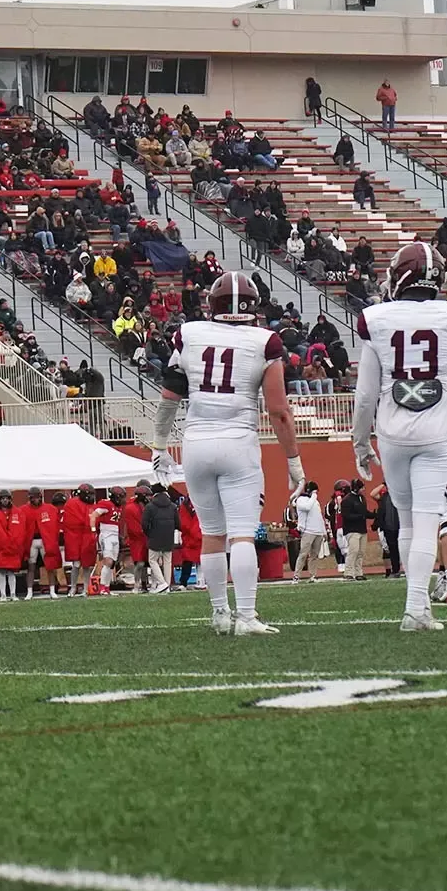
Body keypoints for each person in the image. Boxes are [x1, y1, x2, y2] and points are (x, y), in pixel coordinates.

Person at [149, 272, 306, 635]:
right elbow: (279, 410)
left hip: (197, 444)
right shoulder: (264, 341)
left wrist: (159, 446)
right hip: (237, 443)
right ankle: (246, 617)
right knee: (242, 535)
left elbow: (169, 397)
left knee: (212, 534)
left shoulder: (189, 334)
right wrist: (293, 459)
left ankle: (220, 613)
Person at [350, 243, 447, 630]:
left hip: (392, 429)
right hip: (436, 427)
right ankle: (415, 608)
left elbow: (366, 393)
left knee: (407, 521)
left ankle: (416, 605)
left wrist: (360, 441)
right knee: (426, 522)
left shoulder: (376, 317)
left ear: (400, 274)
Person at [291, 483, 331, 582]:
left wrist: (324, 531)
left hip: (318, 531)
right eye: (315, 491)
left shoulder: (315, 501)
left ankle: (312, 575)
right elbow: (307, 507)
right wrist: (313, 496)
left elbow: (319, 517)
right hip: (308, 531)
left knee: (314, 555)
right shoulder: (301, 500)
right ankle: (296, 575)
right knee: (303, 554)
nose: (316, 493)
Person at [142, 484, 179, 593]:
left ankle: (162, 583)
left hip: (154, 537)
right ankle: (167, 585)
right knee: (168, 562)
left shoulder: (149, 506)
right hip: (169, 537)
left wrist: (149, 534)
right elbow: (178, 523)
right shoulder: (172, 506)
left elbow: (144, 524)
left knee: (152, 560)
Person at [0, 493, 25, 600]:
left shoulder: (17, 513)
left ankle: (13, 594)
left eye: (7, 499)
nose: (5, 501)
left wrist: (13, 542)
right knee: (2, 571)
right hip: (0, 548)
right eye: (3, 498)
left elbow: (20, 529)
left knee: (11, 571)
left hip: (13, 546)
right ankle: (3, 594)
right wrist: (4, 542)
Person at [338, 478, 372, 581]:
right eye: (361, 487)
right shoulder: (347, 500)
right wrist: (360, 516)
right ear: (357, 488)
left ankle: (358, 573)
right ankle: (348, 572)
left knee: (361, 552)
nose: (363, 489)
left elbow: (365, 512)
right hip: (352, 530)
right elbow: (346, 515)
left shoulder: (361, 498)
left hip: (362, 529)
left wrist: (374, 515)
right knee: (353, 551)